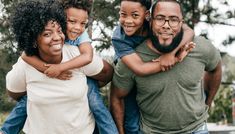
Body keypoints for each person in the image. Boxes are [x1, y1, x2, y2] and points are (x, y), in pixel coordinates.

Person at [0, 0, 118, 134]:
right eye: (47, 34)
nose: (78, 27)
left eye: (59, 31)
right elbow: (24, 59)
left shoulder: (77, 47)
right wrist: (46, 70)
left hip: (82, 127)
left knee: (96, 104)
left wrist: (61, 69)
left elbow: (93, 62)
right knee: (26, 101)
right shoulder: (26, 63)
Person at [110, 0, 222, 133]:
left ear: (182, 22)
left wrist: (207, 103)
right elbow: (117, 96)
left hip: (196, 129)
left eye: (174, 20)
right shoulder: (130, 57)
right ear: (150, 20)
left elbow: (215, 68)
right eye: (160, 19)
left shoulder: (200, 47)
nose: (166, 25)